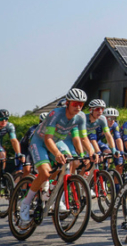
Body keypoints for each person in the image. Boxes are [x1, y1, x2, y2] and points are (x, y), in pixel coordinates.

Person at [17, 89, 90, 222]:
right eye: (75, 103)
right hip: (40, 141)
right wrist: (57, 153)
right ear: (67, 103)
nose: (78, 107)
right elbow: (47, 138)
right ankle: (25, 203)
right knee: (44, 173)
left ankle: (53, 193)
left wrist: (89, 154)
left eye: (81, 104)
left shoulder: (81, 117)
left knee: (71, 162)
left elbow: (82, 138)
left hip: (57, 141)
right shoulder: (55, 113)